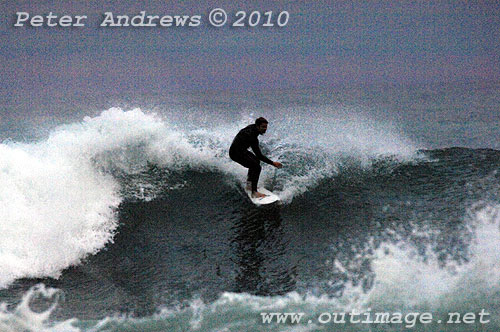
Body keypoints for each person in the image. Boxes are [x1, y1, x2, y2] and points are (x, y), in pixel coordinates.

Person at [229, 117, 283, 198]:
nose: (265, 129)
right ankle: (254, 192)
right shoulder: (251, 136)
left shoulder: (252, 128)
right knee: (257, 167)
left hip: (240, 150)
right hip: (235, 153)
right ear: (257, 126)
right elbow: (259, 155)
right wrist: (273, 163)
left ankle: (249, 185)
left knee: (256, 161)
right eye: (263, 127)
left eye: (266, 127)